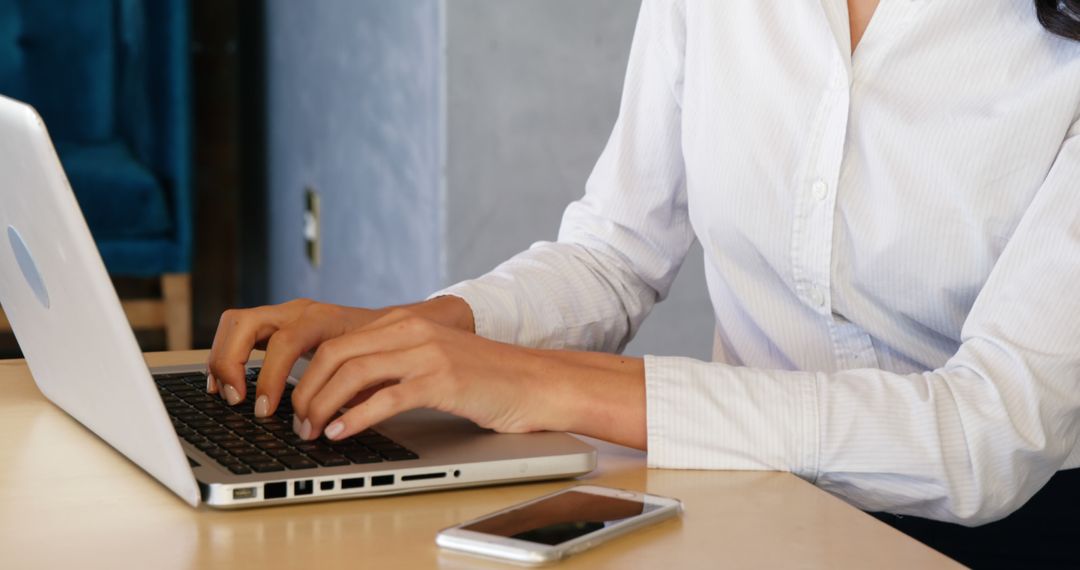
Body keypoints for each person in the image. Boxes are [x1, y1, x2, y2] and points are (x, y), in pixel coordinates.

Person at [207, 1, 1080, 566]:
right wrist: (423, 333)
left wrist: (546, 386)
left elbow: (988, 436)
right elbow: (615, 253)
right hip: (748, 506)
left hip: (1002, 540)